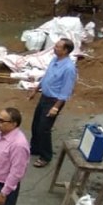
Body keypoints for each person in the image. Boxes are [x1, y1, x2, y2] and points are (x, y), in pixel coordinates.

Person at [28, 38, 77, 168]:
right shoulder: (54, 60)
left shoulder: (69, 68)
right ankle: (35, 148)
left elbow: (66, 90)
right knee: (36, 124)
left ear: (65, 50)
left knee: (44, 128)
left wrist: (55, 107)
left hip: (53, 102)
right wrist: (36, 89)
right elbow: (46, 77)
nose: (54, 48)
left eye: (58, 47)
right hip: (44, 97)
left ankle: (45, 156)